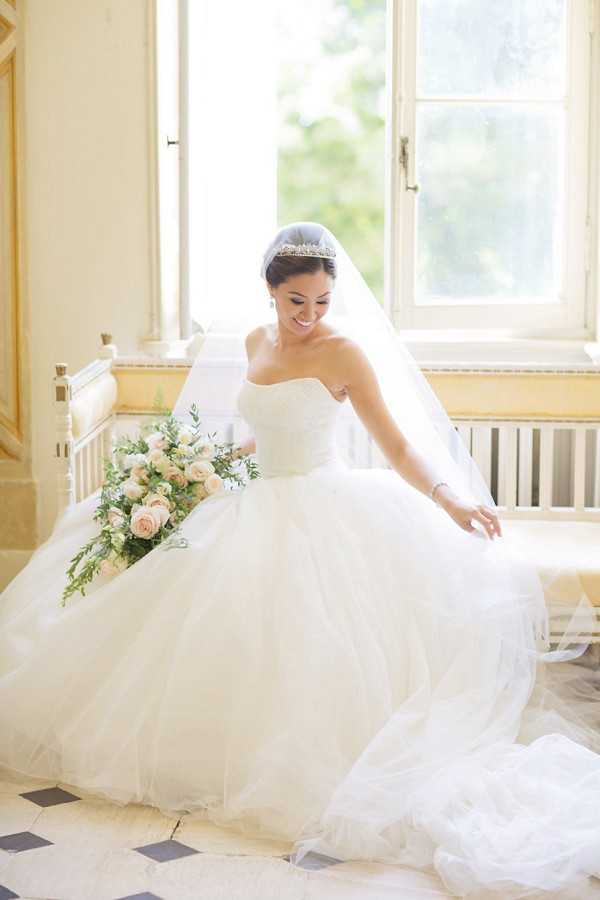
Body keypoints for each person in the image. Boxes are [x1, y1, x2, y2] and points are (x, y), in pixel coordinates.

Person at [1, 222, 599, 899]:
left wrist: (451, 500)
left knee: (311, 645)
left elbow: (399, 447)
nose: (311, 317)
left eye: (322, 301)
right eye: (297, 303)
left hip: (325, 509)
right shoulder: (256, 341)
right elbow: (271, 428)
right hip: (254, 502)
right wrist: (207, 467)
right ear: (271, 292)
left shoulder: (345, 354)